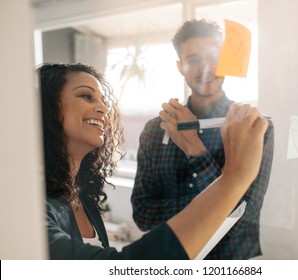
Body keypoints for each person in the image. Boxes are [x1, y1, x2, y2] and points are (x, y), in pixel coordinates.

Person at [39, 62, 268, 260]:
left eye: (103, 101)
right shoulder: (29, 208)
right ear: (45, 107)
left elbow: (244, 220)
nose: (103, 109)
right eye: (86, 96)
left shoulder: (83, 196)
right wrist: (234, 176)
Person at [131, 19, 274, 259]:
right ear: (180, 67)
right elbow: (143, 215)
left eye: (213, 57)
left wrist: (195, 149)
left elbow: (241, 221)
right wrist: (218, 203)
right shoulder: (156, 129)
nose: (205, 67)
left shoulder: (253, 126)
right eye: (193, 59)